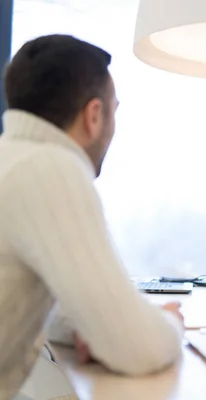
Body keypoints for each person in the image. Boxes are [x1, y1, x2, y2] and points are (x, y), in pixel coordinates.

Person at [0, 34, 184, 400]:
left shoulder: (14, 158)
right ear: (94, 115)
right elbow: (139, 348)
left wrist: (92, 328)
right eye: (114, 110)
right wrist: (168, 322)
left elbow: (43, 300)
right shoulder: (49, 168)